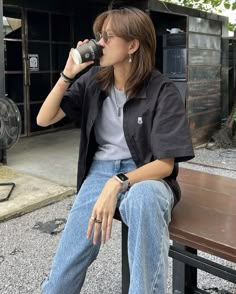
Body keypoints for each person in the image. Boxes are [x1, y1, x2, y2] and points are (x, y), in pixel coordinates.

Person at [37, 7, 194, 294]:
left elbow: (165, 165)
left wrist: (118, 182)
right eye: (100, 36)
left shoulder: (163, 90)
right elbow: (43, 119)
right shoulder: (94, 80)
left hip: (146, 175)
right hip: (99, 172)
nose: (100, 43)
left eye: (108, 37)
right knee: (63, 273)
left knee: (144, 199)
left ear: (132, 45)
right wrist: (68, 74)